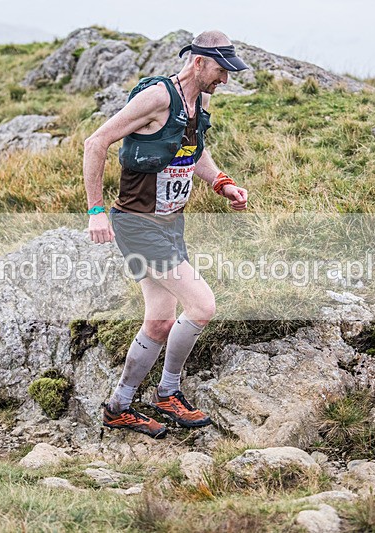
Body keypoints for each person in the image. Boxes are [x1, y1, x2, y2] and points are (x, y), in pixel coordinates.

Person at [83, 30, 249, 439]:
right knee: (202, 306)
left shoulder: (200, 101)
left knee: (159, 323)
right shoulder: (157, 97)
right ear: (197, 62)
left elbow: (194, 151)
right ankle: (167, 392)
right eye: (220, 70)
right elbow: (96, 141)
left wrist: (221, 183)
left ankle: (119, 407)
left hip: (170, 223)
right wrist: (95, 211)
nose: (225, 79)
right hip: (137, 224)